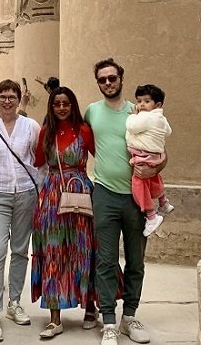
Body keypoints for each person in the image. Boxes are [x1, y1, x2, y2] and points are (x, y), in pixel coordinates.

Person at [85, 59, 162, 345]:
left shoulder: (138, 111)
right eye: (102, 79)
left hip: (136, 197)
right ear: (98, 83)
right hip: (104, 194)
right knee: (105, 260)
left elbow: (160, 149)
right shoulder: (92, 111)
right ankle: (108, 321)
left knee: (136, 260)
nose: (108, 83)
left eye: (112, 78)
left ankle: (129, 316)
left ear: (121, 79)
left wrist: (156, 168)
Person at [31, 86, 100, 339]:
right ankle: (54, 318)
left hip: (80, 192)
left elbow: (101, 157)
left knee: (84, 248)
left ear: (73, 106)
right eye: (57, 104)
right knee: (53, 251)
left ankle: (90, 306)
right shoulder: (46, 132)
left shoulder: (84, 130)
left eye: (66, 103)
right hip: (52, 196)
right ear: (51, 107)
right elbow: (39, 161)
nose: (61, 108)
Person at [0, 79, 40, 343]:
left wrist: (39, 188)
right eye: (2, 96)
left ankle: (14, 302)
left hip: (25, 192)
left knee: (21, 250)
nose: (7, 101)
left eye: (12, 96)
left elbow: (39, 159)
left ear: (18, 99)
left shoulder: (31, 126)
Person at [125, 84, 174, 237]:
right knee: (153, 177)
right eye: (139, 101)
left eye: (146, 101)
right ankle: (163, 202)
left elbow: (132, 127)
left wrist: (133, 115)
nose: (141, 105)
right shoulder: (161, 118)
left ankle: (152, 216)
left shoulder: (144, 117)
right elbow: (168, 132)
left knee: (139, 184)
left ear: (157, 105)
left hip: (143, 155)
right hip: (155, 156)